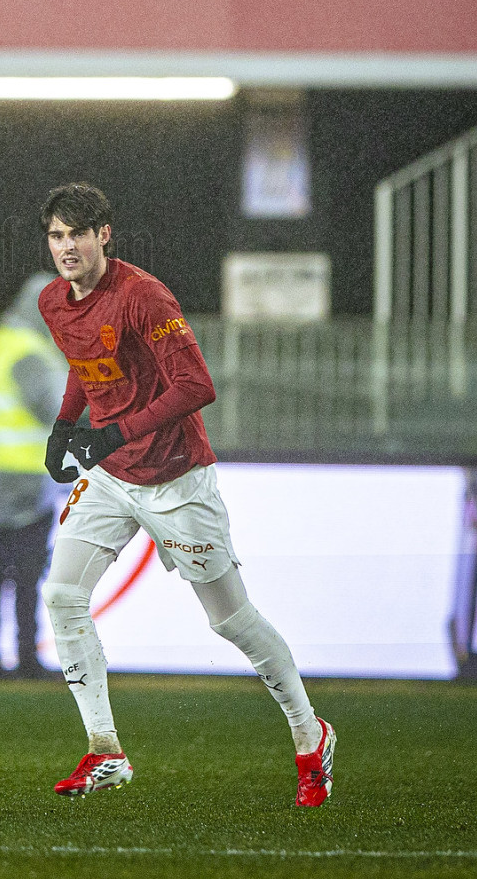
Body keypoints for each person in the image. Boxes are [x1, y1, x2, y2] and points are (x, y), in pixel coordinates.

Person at [35, 183, 335, 805]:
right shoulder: (52, 300)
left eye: (78, 234)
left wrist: (113, 432)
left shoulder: (144, 296)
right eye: (57, 236)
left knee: (231, 620)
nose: (66, 247)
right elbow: (84, 365)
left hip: (176, 478)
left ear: (103, 235)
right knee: (63, 595)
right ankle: (105, 749)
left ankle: (311, 734)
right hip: (111, 476)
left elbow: (197, 385)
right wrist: (65, 426)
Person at [0, 274, 68, 680]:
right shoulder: (30, 352)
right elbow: (53, 409)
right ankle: (26, 657)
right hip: (23, 480)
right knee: (26, 575)